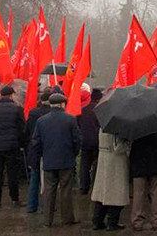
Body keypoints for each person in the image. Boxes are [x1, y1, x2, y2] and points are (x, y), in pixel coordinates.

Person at [30, 93, 81, 227]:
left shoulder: (41, 121)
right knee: (66, 190)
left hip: (49, 160)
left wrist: (43, 154)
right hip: (66, 160)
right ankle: (67, 218)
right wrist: (73, 153)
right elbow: (77, 140)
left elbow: (36, 142)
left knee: (49, 191)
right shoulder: (70, 119)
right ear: (63, 104)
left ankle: (47, 220)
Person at [0, 85, 25, 209]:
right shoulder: (17, 109)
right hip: (12, 146)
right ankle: (14, 199)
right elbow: (21, 129)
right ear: (12, 95)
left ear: (0, 95)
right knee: (12, 174)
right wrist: (21, 144)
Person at [130, 126, 157, 231]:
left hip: (138, 162)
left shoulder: (134, 120)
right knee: (156, 193)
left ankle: (137, 221)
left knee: (139, 193)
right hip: (156, 161)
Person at [91, 129, 131, 231]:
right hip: (116, 162)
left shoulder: (102, 127)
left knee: (102, 193)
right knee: (116, 193)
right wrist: (128, 144)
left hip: (103, 160)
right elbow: (118, 148)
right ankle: (112, 222)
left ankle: (97, 220)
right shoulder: (118, 128)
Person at [25, 90, 52, 213]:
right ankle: (46, 206)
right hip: (49, 150)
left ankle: (31, 206)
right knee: (48, 181)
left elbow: (27, 132)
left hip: (34, 148)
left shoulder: (33, 112)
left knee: (34, 178)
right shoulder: (52, 114)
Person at [77, 86, 101, 195]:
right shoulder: (99, 110)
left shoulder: (82, 110)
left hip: (85, 141)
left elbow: (78, 125)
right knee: (96, 165)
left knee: (84, 165)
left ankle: (84, 187)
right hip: (96, 142)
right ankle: (95, 186)